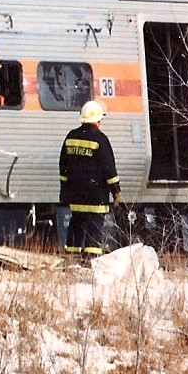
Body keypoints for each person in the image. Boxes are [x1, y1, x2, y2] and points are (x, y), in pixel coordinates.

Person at [59, 100, 122, 258]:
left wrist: (64, 189)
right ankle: (91, 259)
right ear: (98, 120)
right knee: (95, 227)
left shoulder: (71, 137)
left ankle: (71, 257)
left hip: (75, 193)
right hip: (96, 195)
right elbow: (109, 169)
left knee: (76, 224)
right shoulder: (100, 139)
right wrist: (116, 191)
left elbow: (63, 166)